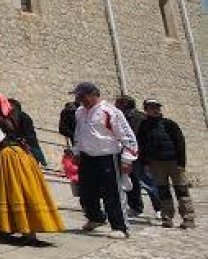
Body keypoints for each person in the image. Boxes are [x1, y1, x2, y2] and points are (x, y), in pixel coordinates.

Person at [0, 90, 63, 244]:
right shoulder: (11, 117)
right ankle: (26, 231)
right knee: (27, 191)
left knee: (15, 192)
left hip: (9, 158)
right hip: (23, 156)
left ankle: (24, 231)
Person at [70, 81, 137, 239]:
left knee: (112, 193)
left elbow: (127, 136)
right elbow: (79, 133)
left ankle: (120, 227)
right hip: (87, 157)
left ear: (94, 94)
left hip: (107, 157)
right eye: (78, 97)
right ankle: (95, 218)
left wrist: (127, 159)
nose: (80, 100)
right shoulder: (80, 112)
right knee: (86, 192)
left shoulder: (110, 112)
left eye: (83, 96)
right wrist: (77, 151)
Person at [137, 98, 194, 229]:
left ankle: (188, 217)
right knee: (162, 190)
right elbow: (142, 145)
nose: (155, 110)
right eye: (152, 107)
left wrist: (181, 163)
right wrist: (145, 163)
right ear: (146, 110)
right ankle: (167, 217)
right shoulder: (144, 126)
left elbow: (180, 143)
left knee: (181, 190)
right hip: (156, 164)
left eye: (157, 107)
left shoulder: (169, 124)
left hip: (174, 162)